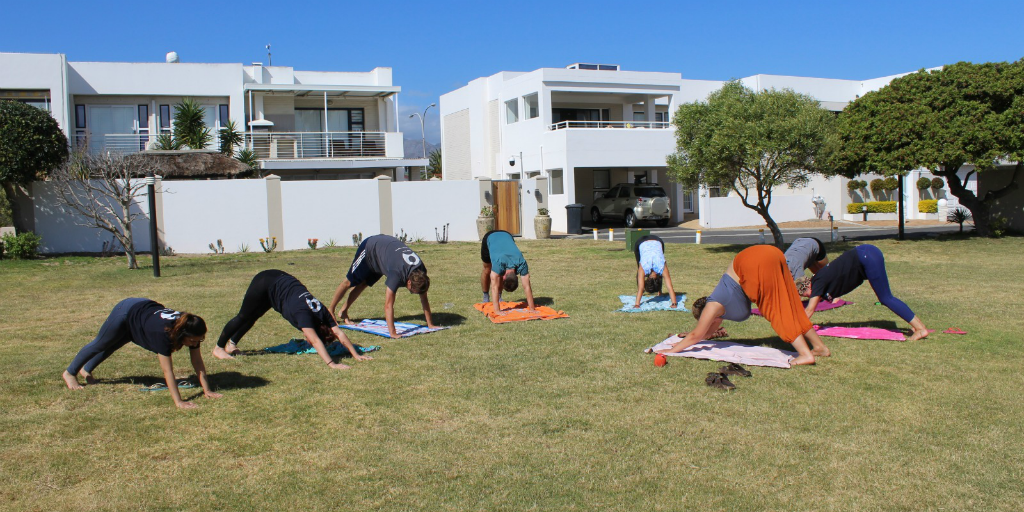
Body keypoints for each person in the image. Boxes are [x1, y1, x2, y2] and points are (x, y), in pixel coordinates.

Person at [657, 245, 830, 366]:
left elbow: (697, 334)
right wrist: (681, 342)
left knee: (775, 309)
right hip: (771, 253)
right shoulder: (719, 312)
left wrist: (672, 351)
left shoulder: (714, 305)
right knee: (790, 305)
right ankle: (819, 347)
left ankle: (806, 355)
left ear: (706, 315)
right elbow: (703, 335)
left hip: (753, 261)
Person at [62, 298, 222, 409]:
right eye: (194, 341)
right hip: (126, 311)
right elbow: (168, 371)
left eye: (199, 341)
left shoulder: (190, 329)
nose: (195, 344)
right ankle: (70, 373)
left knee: (115, 343)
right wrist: (179, 401)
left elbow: (197, 362)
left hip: (143, 314)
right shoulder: (164, 335)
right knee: (102, 343)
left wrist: (207, 390)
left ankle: (86, 369)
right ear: (182, 335)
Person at [213, 269, 371, 368]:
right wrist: (332, 364)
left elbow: (339, 333)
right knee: (244, 315)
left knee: (254, 316)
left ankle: (231, 345)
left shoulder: (323, 314)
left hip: (280, 283)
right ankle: (219, 348)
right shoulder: (304, 316)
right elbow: (315, 341)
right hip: (265, 282)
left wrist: (356, 355)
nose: (308, 341)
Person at [796, 244, 929, 340]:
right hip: (867, 253)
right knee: (886, 297)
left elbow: (809, 310)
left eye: (805, 295)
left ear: (806, 288)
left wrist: (796, 329)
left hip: (866, 255)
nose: (809, 297)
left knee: (886, 298)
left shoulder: (817, 284)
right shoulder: (819, 280)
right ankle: (918, 326)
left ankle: (920, 329)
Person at [331, 234, 437, 338]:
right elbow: (388, 305)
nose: (415, 294)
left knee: (364, 284)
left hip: (383, 254)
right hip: (370, 248)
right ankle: (330, 310)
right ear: (408, 282)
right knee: (348, 282)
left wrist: (430, 324)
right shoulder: (397, 274)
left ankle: (343, 312)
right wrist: (393, 333)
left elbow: (424, 299)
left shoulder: (421, 273)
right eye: (413, 291)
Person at [480, 230, 535, 313]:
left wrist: (532, 309)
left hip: (507, 234)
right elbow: (494, 287)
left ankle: (499, 297)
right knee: (487, 269)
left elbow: (527, 286)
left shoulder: (522, 263)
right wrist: (497, 311)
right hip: (490, 237)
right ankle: (485, 296)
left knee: (497, 273)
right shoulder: (499, 264)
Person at [631, 234, 677, 309]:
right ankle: (660, 292)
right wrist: (674, 304)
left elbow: (641, 288)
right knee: (640, 269)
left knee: (639, 269)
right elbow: (669, 287)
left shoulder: (660, 267)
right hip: (647, 241)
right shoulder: (659, 267)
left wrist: (637, 305)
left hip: (655, 241)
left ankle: (659, 292)